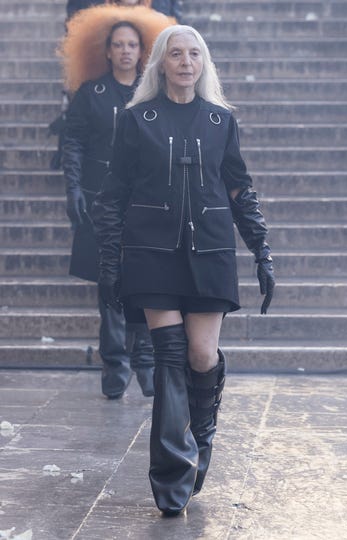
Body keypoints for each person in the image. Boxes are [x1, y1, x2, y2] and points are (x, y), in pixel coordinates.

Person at [92, 24, 275, 515]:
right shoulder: (138, 120)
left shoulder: (220, 121)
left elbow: (239, 188)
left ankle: (202, 432)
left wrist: (261, 249)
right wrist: (111, 263)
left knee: (200, 355)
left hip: (210, 251)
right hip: (152, 252)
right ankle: (172, 476)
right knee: (170, 358)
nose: (186, 62)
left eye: (195, 54)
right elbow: (113, 195)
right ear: (161, 62)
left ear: (204, 63)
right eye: (177, 54)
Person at [62, 20, 159, 399]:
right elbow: (74, 142)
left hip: (145, 201)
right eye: (118, 44)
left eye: (131, 44)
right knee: (108, 283)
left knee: (148, 281)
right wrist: (72, 188)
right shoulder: (92, 93)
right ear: (107, 51)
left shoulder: (153, 94)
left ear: (141, 50)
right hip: (101, 201)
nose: (124, 51)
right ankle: (115, 365)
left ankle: (146, 361)